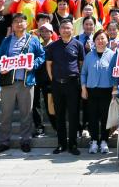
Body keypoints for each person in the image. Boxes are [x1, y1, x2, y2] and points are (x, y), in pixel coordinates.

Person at [0, 13, 46, 154]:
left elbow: (42, 55)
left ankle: (25, 141)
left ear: (26, 24)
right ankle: (4, 142)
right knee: (5, 114)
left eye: (21, 21)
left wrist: (34, 65)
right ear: (12, 25)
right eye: (16, 21)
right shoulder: (6, 40)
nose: (18, 24)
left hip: (26, 82)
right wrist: (1, 67)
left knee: (26, 113)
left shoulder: (33, 40)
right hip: (8, 83)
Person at [47, 19, 85, 155]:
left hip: (73, 84)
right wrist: (54, 80)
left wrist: (80, 81)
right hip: (57, 84)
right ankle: (61, 144)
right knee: (60, 115)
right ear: (59, 30)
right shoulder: (53, 46)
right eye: (63, 28)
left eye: (68, 28)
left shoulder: (78, 45)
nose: (65, 30)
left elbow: (81, 64)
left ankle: (73, 144)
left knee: (73, 115)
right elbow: (49, 65)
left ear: (72, 30)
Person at [81, 29, 115, 154]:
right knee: (92, 117)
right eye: (98, 39)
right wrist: (83, 88)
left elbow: (115, 74)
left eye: (103, 38)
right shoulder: (89, 56)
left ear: (107, 40)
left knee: (106, 117)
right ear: (94, 41)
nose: (100, 41)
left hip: (107, 91)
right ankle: (94, 141)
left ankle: (104, 141)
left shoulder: (112, 55)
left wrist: (115, 88)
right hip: (92, 91)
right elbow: (83, 73)